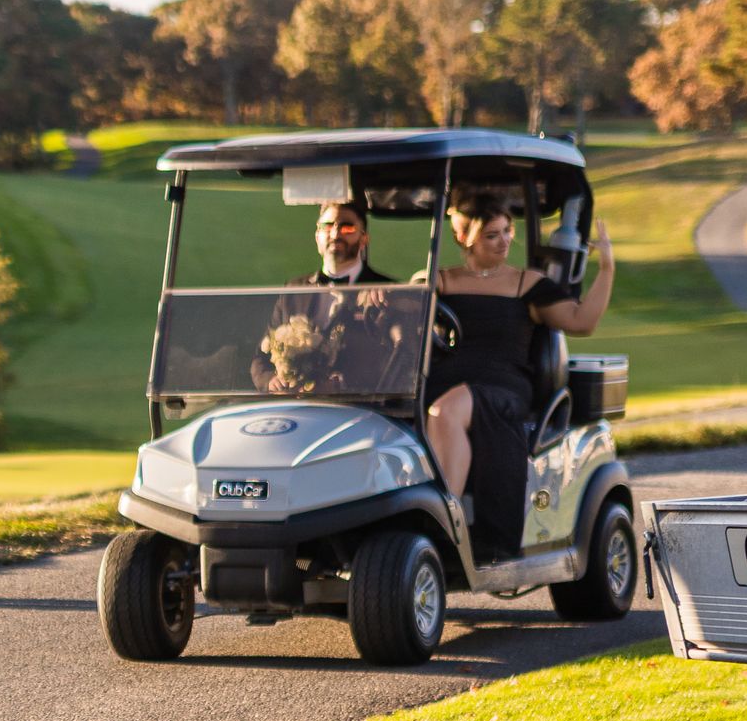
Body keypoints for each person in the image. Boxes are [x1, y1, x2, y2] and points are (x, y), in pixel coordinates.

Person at [426, 193, 616, 559]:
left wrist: (606, 268)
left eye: (507, 231)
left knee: (445, 412)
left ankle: (443, 524)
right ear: (464, 237)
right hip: (446, 380)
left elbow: (582, 321)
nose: (504, 241)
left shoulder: (525, 284)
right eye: (491, 235)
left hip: (502, 385)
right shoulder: (441, 281)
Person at [252, 199, 399, 393]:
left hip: (358, 406)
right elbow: (262, 355)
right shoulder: (294, 289)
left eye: (347, 228)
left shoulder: (386, 290)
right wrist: (272, 380)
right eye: (327, 227)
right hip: (296, 403)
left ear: (364, 239)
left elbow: (397, 363)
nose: (336, 234)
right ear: (317, 236)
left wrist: (343, 384)